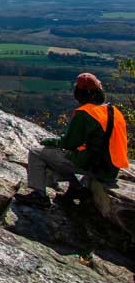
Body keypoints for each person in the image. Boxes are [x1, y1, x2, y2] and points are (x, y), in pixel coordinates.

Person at [19, 72, 129, 208]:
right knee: (70, 157)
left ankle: (39, 195)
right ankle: (75, 188)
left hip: (94, 166)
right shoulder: (114, 110)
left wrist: (49, 142)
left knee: (36, 152)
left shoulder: (86, 113)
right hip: (112, 168)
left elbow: (69, 143)